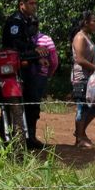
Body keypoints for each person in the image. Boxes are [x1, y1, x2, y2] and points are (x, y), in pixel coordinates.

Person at [2, 0, 47, 148]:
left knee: (33, 101)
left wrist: (37, 55)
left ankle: (31, 138)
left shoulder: (32, 20)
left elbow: (32, 40)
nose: (34, 6)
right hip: (14, 67)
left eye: (35, 3)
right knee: (13, 104)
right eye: (31, 3)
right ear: (22, 4)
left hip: (29, 66)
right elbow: (16, 45)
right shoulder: (14, 22)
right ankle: (9, 139)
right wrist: (35, 50)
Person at [70, 11, 95, 149]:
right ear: (86, 22)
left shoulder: (87, 36)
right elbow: (79, 59)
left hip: (90, 76)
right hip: (81, 77)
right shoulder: (80, 37)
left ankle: (80, 132)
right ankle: (80, 138)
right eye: (94, 20)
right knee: (82, 107)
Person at [26, 18, 58, 148]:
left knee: (30, 106)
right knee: (32, 106)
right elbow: (54, 61)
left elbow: (54, 61)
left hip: (34, 77)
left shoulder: (29, 40)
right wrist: (48, 74)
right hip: (37, 77)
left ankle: (30, 136)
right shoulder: (44, 39)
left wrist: (47, 74)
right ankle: (30, 137)